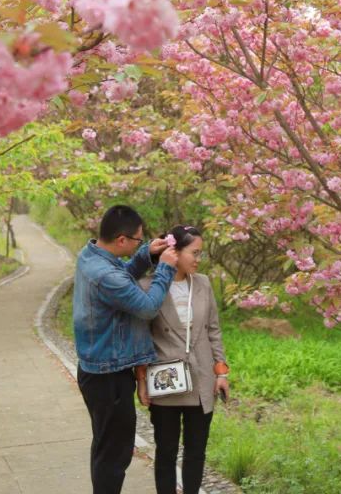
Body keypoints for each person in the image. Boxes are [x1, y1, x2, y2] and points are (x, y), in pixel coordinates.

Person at [73, 204, 179, 494]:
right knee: (115, 453)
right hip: (109, 376)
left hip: (99, 370)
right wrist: (166, 269)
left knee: (106, 446)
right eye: (137, 240)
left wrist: (146, 255)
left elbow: (123, 274)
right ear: (121, 240)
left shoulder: (92, 255)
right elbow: (146, 308)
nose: (138, 244)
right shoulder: (105, 274)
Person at [135, 225, 230, 494]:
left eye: (201, 253)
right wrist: (141, 380)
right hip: (165, 381)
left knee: (196, 451)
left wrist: (221, 373)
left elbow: (213, 330)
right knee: (165, 451)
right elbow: (140, 338)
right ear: (174, 252)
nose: (199, 259)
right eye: (195, 252)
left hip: (201, 381)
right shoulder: (146, 286)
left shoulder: (202, 283)